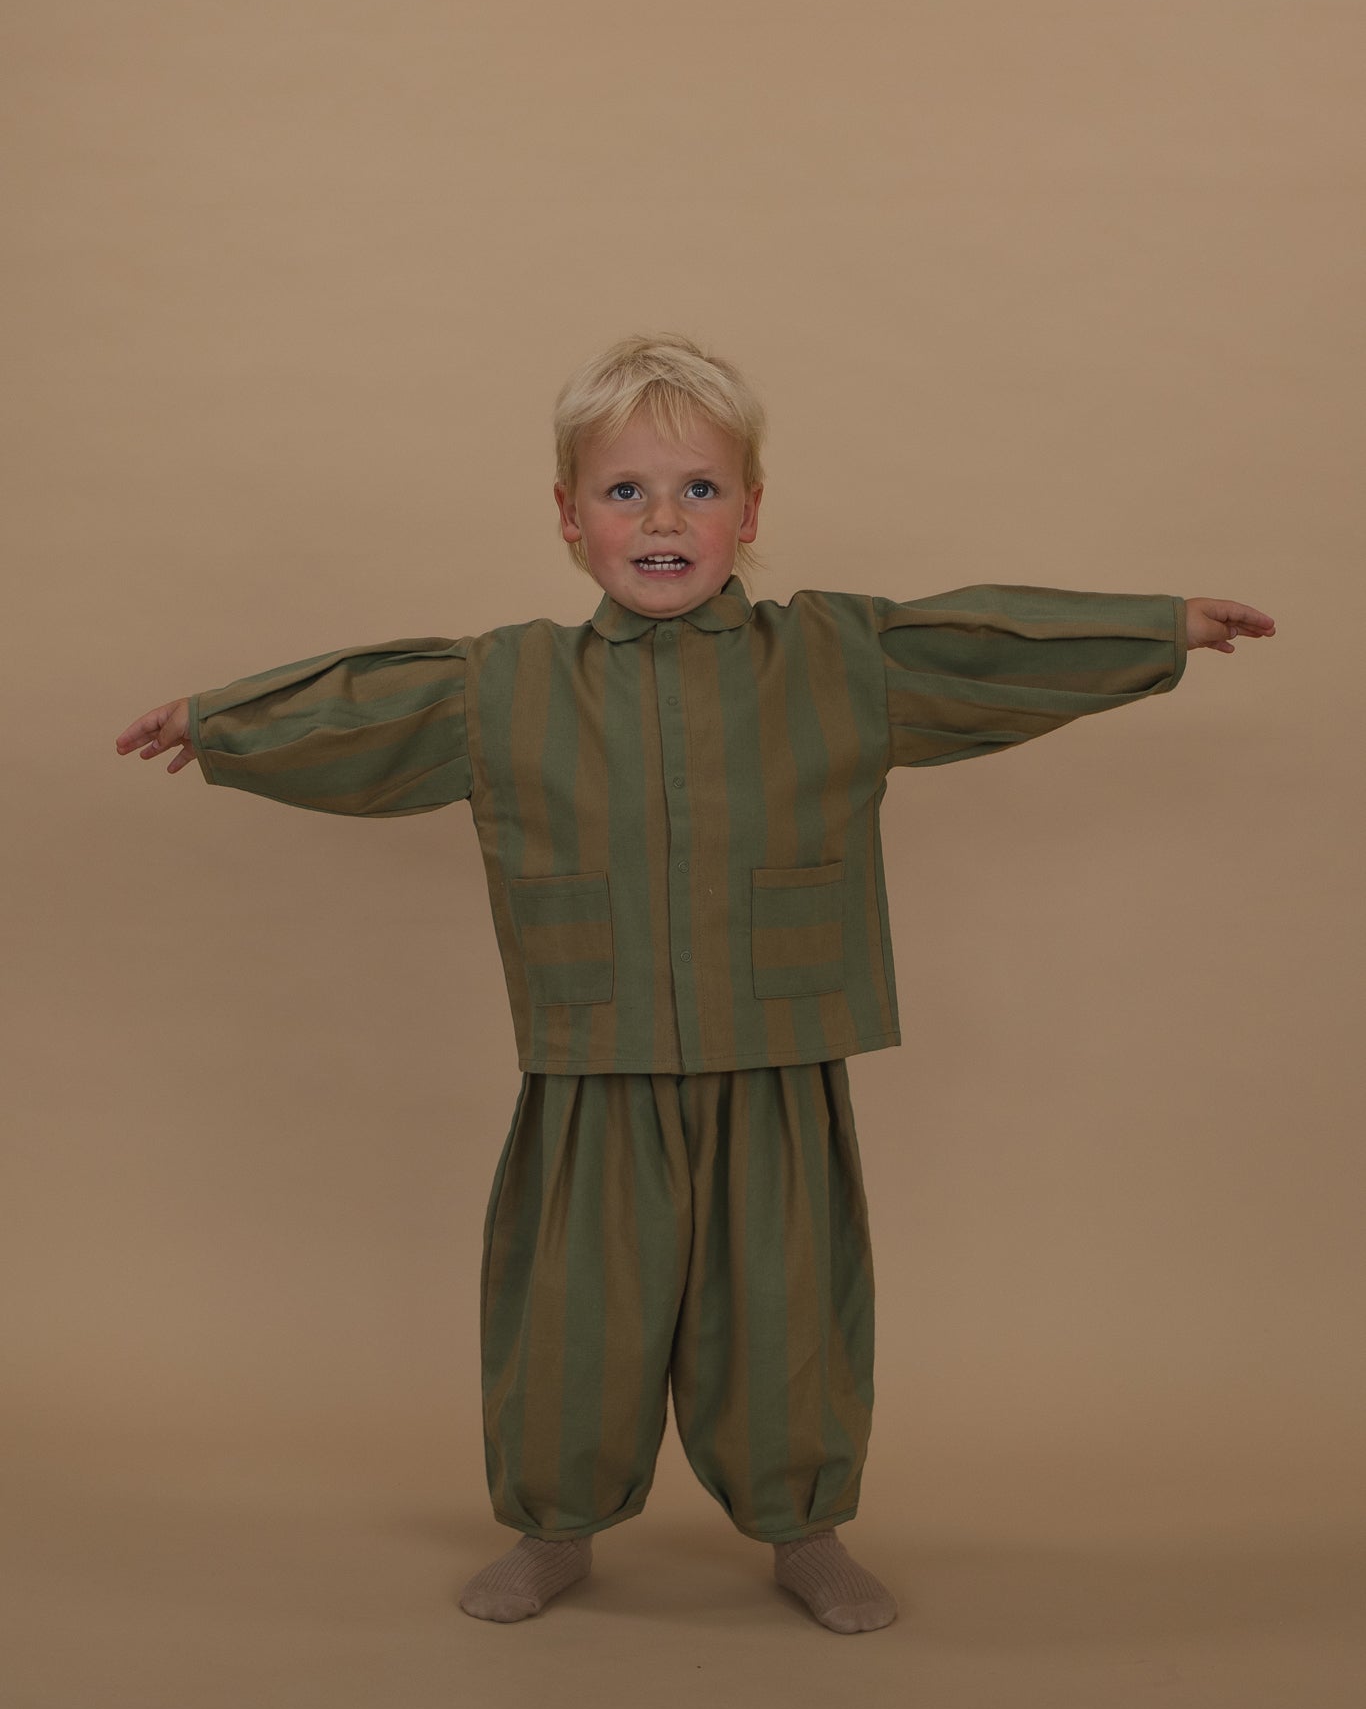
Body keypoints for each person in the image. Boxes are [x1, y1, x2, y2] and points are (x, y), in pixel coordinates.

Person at [115, 331, 1276, 1633]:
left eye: (698, 489)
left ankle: (805, 1528)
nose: (661, 518)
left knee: (784, 1309)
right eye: (624, 492)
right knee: (569, 1312)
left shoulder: (835, 658)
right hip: (592, 1057)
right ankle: (552, 1525)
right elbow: (364, 716)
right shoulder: (506, 685)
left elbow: (983, 650)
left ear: (749, 511)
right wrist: (224, 723)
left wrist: (1151, 629)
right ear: (568, 518)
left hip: (775, 1049)